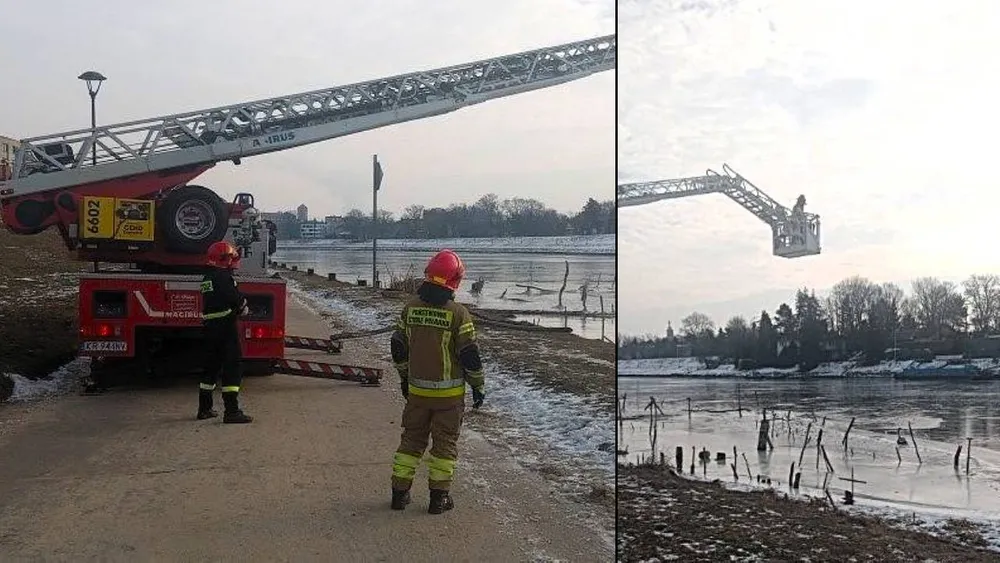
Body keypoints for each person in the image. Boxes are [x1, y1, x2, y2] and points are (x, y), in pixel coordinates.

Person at [389, 249, 485, 514]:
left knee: (411, 442)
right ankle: (438, 500)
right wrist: (478, 385)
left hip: (417, 393)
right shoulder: (458, 314)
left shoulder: (410, 308)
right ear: (455, 280)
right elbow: (470, 357)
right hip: (449, 398)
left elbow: (398, 346)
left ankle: (399, 494)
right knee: (444, 447)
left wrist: (404, 377)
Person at [198, 240, 253, 424]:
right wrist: (243, 305)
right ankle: (232, 411)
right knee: (232, 367)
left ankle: (204, 409)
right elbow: (233, 297)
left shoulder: (207, 277)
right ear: (225, 259)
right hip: (225, 327)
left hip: (210, 327)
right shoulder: (223, 277)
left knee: (210, 368)